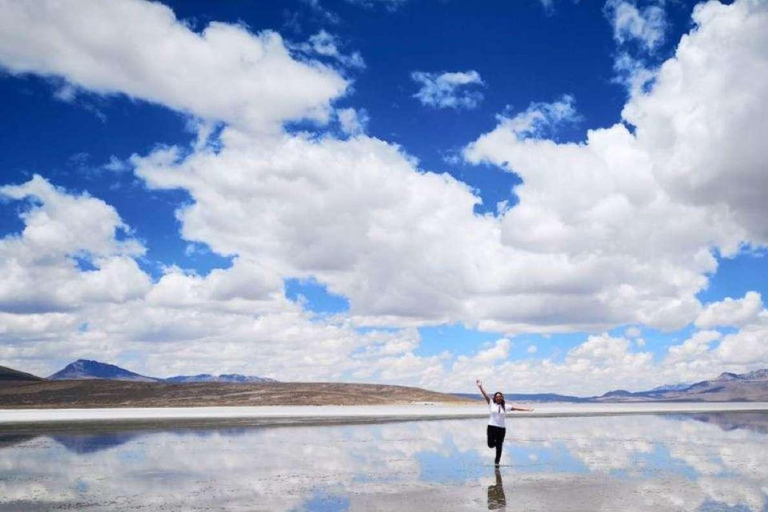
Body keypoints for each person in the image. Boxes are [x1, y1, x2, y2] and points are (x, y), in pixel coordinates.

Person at [476, 379, 533, 466]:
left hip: (501, 429)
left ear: (502, 398)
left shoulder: (506, 406)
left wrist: (527, 409)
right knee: (490, 445)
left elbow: (516, 408)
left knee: (499, 448)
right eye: (497, 396)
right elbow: (485, 395)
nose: (498, 397)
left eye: (500, 396)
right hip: (491, 427)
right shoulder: (491, 403)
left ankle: (496, 464)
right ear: (495, 398)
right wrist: (480, 387)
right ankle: (498, 444)